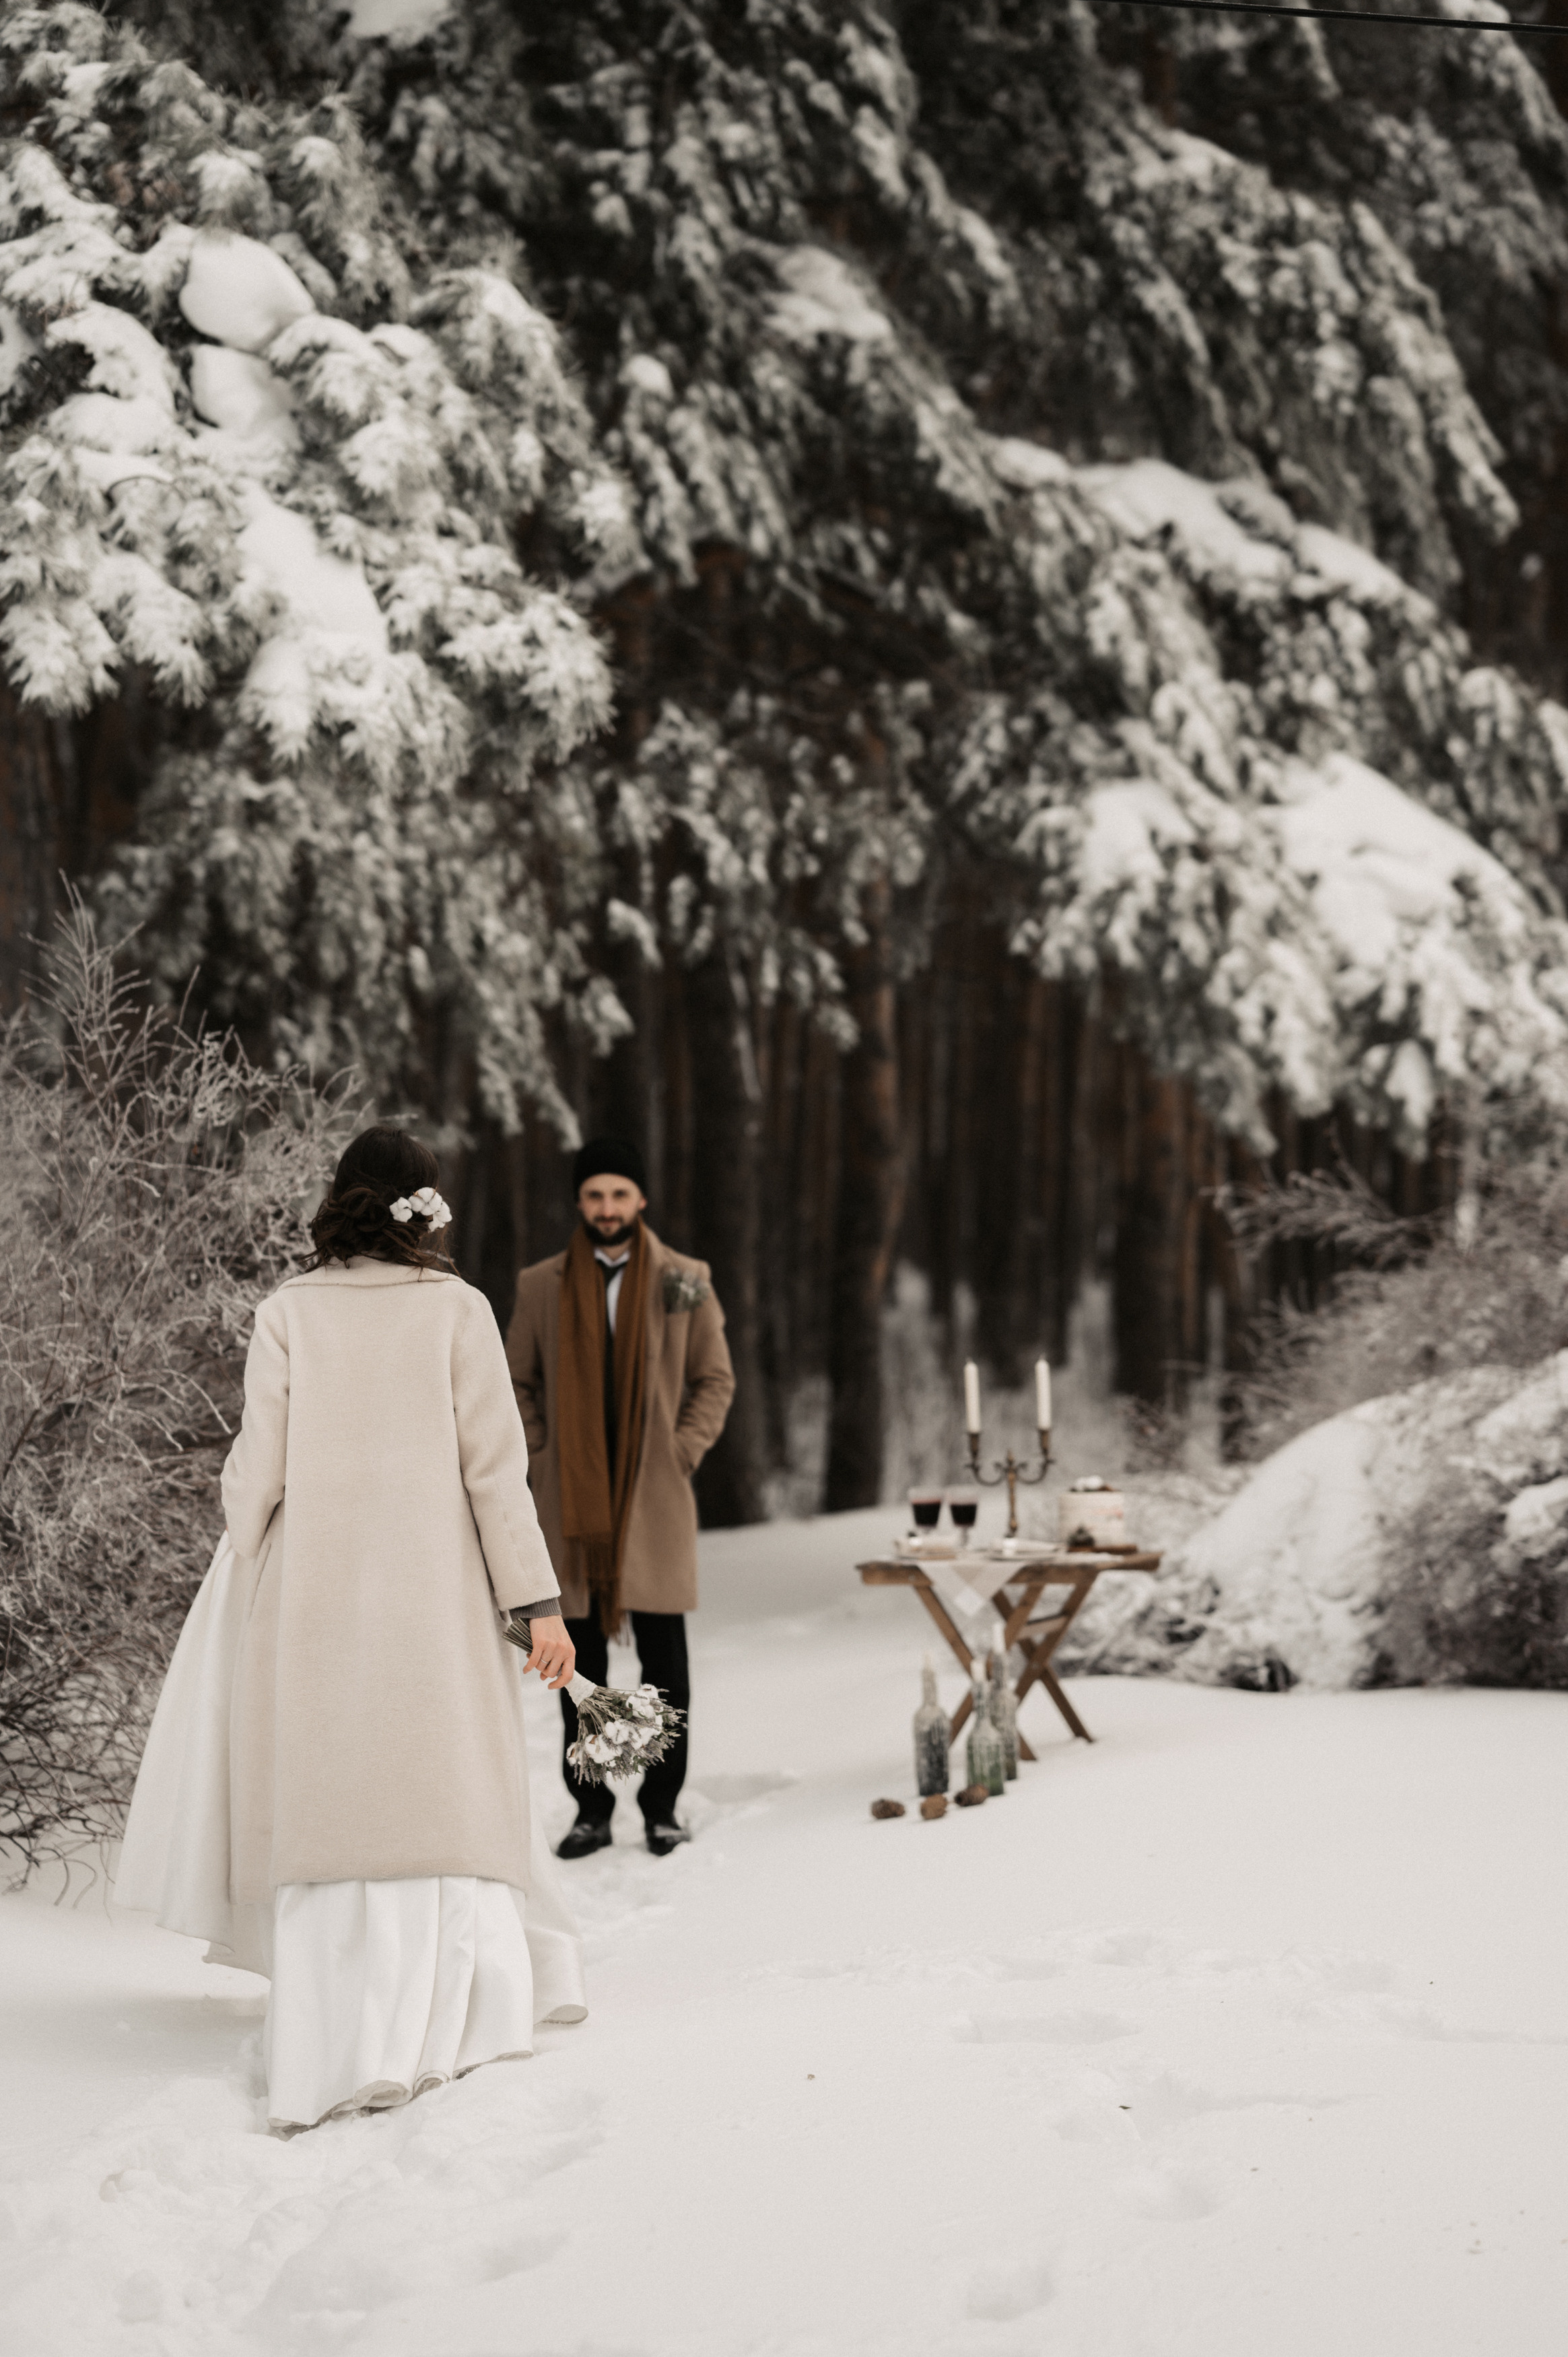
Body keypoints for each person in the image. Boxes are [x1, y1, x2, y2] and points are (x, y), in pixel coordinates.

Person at [115, 1126, 588, 2134]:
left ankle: (330, 2040)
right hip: (441, 1597)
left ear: (341, 1201)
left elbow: (259, 1471)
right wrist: (538, 1604)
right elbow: (497, 1478)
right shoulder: (458, 1312)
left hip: (316, 1597)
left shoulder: (288, 1312)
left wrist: (241, 1531)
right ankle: (464, 2019)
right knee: (440, 1785)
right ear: (425, 1207)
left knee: (334, 1794)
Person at [505, 1137, 735, 1859]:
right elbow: (516, 1382)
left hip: (652, 1497)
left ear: (641, 1200)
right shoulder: (540, 1283)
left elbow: (713, 1377)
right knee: (580, 1667)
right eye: (594, 1195)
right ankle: (592, 1809)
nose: (607, 1208)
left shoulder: (683, 1278)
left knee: (665, 1664)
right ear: (580, 1202)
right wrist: (539, 1451)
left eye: (619, 1193)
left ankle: (662, 1807)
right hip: (571, 1502)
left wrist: (681, 1449)